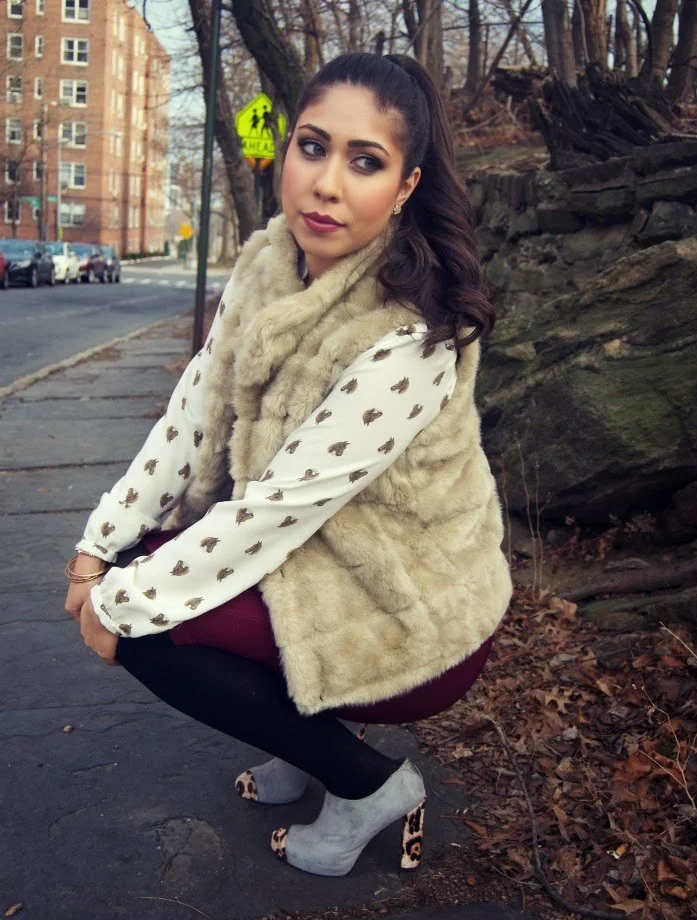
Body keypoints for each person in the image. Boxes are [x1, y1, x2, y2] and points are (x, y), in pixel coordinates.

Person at [64, 53, 512, 878]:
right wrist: (98, 547)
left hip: (406, 603)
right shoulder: (269, 263)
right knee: (135, 575)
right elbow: (191, 418)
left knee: (148, 631)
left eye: (365, 162)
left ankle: (370, 785)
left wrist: (119, 601)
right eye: (313, 146)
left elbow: (274, 511)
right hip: (317, 558)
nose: (327, 184)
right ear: (286, 152)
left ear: (407, 186)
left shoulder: (411, 333)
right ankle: (302, 745)